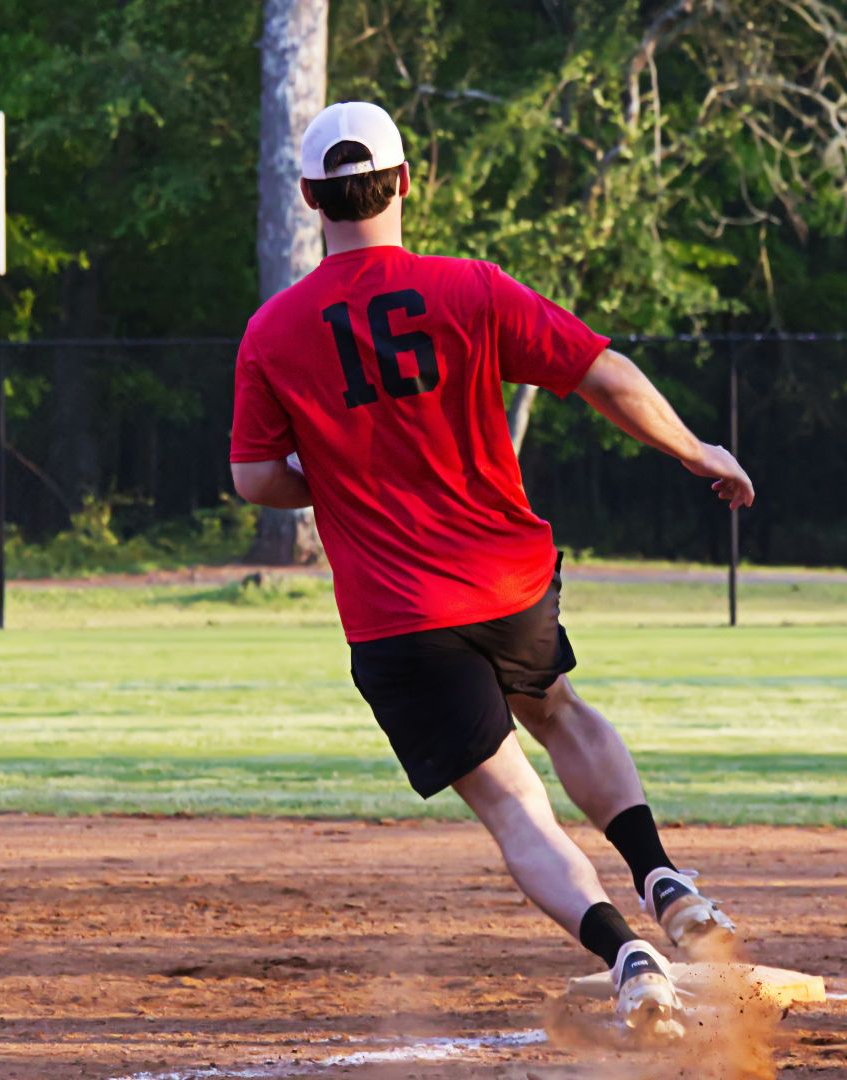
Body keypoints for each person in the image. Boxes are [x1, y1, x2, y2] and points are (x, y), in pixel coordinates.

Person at [229, 101, 755, 1037]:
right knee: (555, 707)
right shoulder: (469, 288)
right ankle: (658, 871)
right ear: (404, 181)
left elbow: (255, 477)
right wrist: (692, 448)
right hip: (509, 584)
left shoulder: (274, 331)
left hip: (399, 621)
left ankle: (624, 952)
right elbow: (603, 372)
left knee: (515, 808)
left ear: (310, 197)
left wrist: (336, 471)